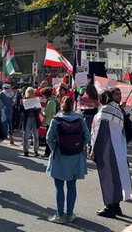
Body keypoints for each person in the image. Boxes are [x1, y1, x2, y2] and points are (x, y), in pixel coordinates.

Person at [46, 96, 89, 224]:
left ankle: (60, 214)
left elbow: (49, 138)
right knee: (72, 186)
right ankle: (70, 214)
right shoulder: (79, 118)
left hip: (60, 155)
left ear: (61, 106)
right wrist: (79, 147)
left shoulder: (56, 119)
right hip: (75, 156)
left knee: (59, 186)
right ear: (72, 106)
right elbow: (86, 137)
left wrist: (55, 148)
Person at [90, 88, 132, 218]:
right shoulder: (119, 110)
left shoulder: (104, 110)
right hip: (119, 147)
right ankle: (116, 206)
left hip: (107, 148)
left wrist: (93, 150)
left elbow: (97, 132)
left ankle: (109, 206)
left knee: (107, 177)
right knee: (117, 177)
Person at [21, 87, 42, 157]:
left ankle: (36, 150)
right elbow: (22, 111)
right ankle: (26, 151)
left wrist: (37, 109)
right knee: (26, 135)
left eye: (33, 92)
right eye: (31, 92)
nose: (32, 94)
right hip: (27, 119)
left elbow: (39, 109)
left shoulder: (36, 99)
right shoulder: (25, 100)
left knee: (36, 135)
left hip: (35, 119)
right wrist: (21, 105)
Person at [41, 87, 59, 157]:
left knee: (48, 137)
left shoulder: (51, 102)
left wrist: (41, 112)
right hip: (53, 120)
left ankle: (47, 152)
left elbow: (47, 113)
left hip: (50, 121)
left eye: (43, 95)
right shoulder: (55, 99)